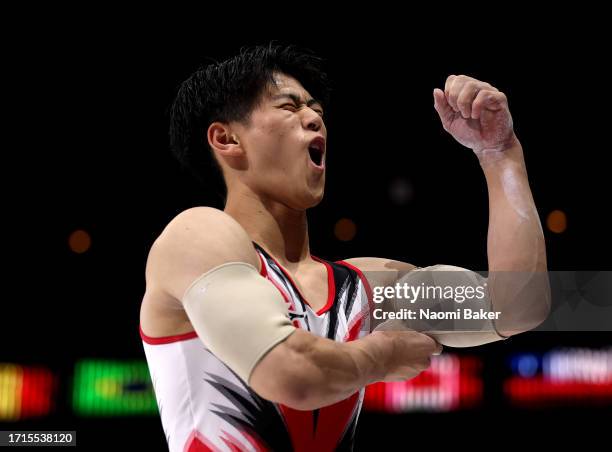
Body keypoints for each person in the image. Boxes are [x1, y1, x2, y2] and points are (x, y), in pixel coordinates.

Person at [139, 43, 550, 451]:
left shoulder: (364, 289)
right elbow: (290, 373)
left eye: (316, 109)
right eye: (289, 106)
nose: (315, 118)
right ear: (226, 138)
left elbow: (516, 307)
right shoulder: (195, 235)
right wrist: (383, 355)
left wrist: (500, 154)